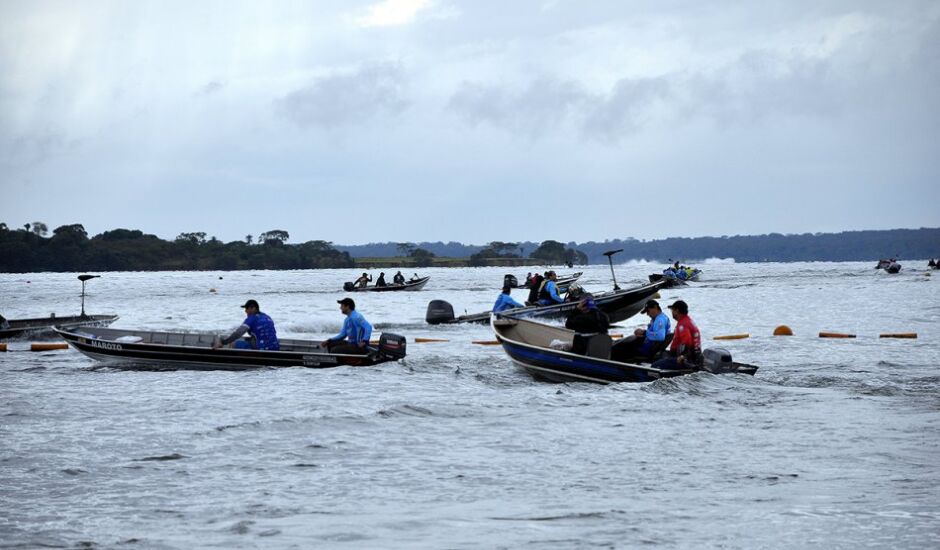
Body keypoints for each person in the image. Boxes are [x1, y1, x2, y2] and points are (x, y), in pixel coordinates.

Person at [651, 300, 701, 370]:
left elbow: (687, 342)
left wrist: (683, 356)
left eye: (672, 310)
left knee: (654, 366)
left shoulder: (683, 325)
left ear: (677, 311)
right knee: (659, 355)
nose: (672, 312)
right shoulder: (688, 321)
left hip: (685, 360)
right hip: (693, 357)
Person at [213, 299, 279, 350]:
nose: (245, 311)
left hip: (261, 349)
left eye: (247, 308)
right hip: (275, 347)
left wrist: (224, 342)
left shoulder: (252, 318)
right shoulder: (267, 317)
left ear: (253, 308)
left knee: (233, 343)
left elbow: (238, 333)